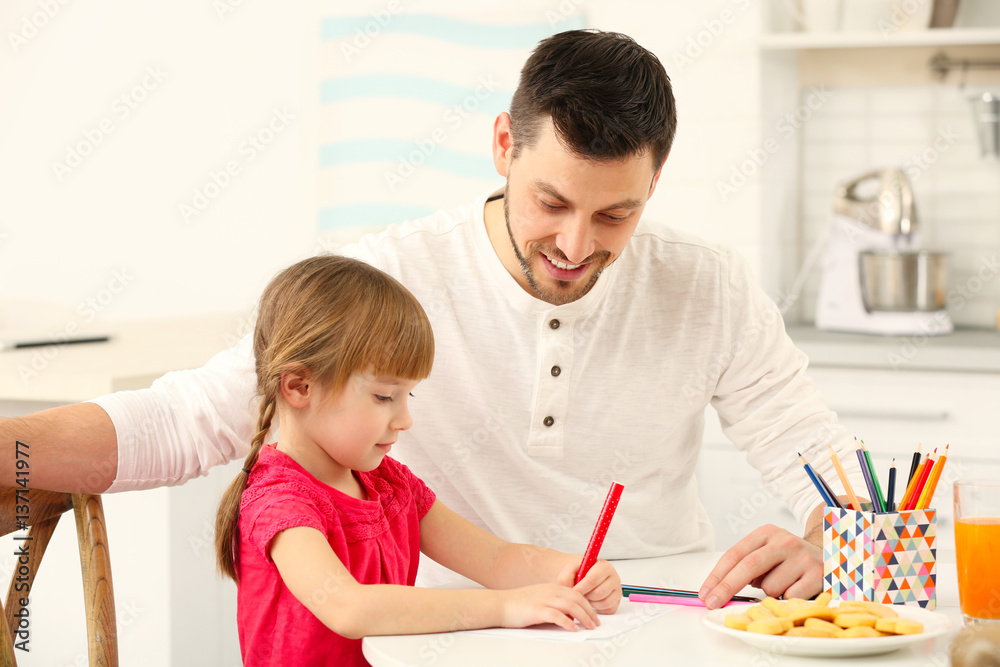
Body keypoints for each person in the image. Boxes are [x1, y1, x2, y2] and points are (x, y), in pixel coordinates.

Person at [2, 29, 859, 609]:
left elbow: (834, 475)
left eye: (614, 217)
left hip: (653, 618)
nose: (572, 244)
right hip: (455, 629)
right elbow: (191, 419)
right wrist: (15, 450)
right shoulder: (392, 278)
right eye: (550, 201)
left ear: (654, 185)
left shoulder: (709, 288)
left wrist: (834, 540)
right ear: (501, 145)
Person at [216, 255, 620, 666]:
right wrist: (503, 607)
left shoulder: (390, 484)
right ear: (300, 386)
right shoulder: (280, 502)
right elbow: (347, 608)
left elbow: (495, 559)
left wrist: (569, 570)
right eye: (384, 397)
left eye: (408, 396)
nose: (404, 420)